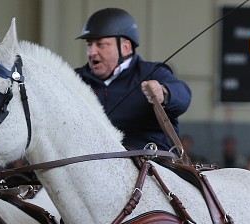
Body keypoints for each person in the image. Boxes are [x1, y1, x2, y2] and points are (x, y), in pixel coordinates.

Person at [74, 7, 191, 151]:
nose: (92, 52)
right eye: (89, 45)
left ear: (125, 47)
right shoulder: (75, 79)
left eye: (100, 44)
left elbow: (183, 95)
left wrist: (164, 93)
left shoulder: (153, 72)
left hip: (150, 162)